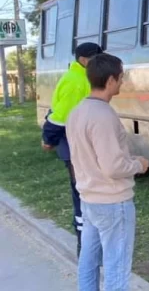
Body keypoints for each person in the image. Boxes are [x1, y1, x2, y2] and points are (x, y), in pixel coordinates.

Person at [66, 53, 149, 291]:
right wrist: (138, 165)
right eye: (121, 77)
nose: (123, 81)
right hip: (113, 203)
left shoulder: (78, 111)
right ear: (111, 80)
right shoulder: (103, 115)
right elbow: (113, 167)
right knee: (116, 270)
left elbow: (91, 156)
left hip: (90, 200)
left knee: (88, 262)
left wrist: (128, 158)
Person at [41, 42, 103, 256]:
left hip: (78, 144)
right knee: (83, 193)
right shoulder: (77, 82)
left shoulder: (79, 78)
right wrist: (48, 139)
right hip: (74, 145)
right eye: (96, 57)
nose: (99, 61)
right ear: (84, 59)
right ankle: (85, 246)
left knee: (85, 192)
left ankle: (89, 244)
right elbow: (60, 117)